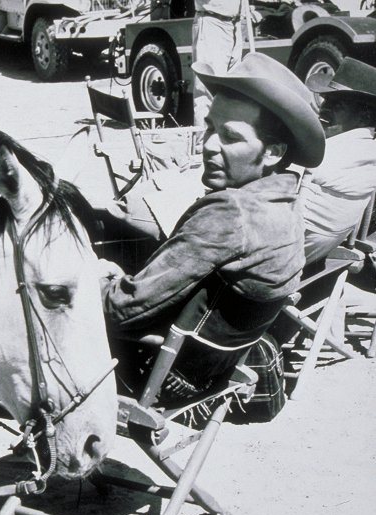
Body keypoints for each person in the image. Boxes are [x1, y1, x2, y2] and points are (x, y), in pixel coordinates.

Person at [101, 52, 325, 398]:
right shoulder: (288, 202)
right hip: (211, 369)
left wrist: (100, 277)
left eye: (230, 137)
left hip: (158, 375)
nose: (208, 145)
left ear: (273, 152)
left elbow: (119, 311)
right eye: (209, 128)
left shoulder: (229, 213)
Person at [300, 57, 376, 265]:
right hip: (312, 252)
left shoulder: (322, 156)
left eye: (337, 104)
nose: (323, 108)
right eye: (325, 100)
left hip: (282, 257)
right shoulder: (366, 151)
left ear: (365, 115)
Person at [192, 0, 243, 127]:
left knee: (232, 91)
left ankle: (223, 142)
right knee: (208, 92)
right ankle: (203, 146)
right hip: (212, 21)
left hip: (234, 24)